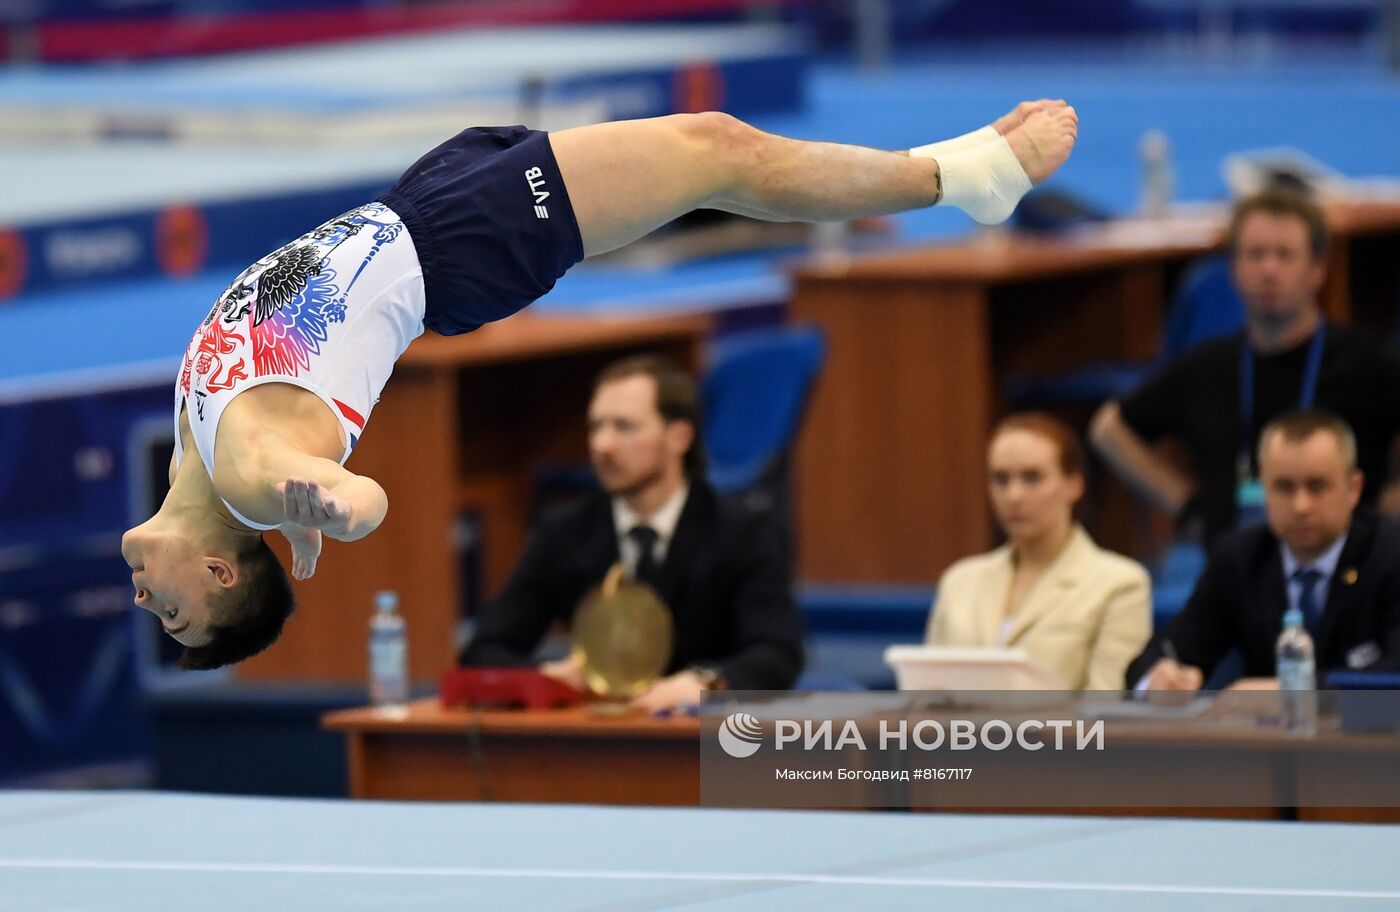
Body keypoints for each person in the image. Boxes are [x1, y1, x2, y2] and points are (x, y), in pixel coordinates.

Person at [120, 100, 1080, 670]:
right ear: (216, 572)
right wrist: (331, 505)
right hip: (460, 245)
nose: (143, 600)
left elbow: (268, 438)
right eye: (172, 610)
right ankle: (965, 179)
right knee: (713, 151)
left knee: (718, 161)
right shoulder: (253, 472)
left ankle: (960, 168)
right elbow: (357, 496)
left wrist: (291, 512)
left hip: (425, 197)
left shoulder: (207, 456)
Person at [458, 355, 803, 711]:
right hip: (594, 742)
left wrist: (705, 681)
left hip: (709, 740)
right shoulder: (564, 531)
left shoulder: (742, 531)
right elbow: (484, 651)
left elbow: (777, 653)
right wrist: (545, 678)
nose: (602, 445)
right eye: (596, 427)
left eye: (624, 427)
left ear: (679, 437)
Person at [1090, 187, 1400, 547]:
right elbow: (1108, 430)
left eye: (1285, 255)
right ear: (1234, 270)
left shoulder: (1370, 362)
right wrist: (1188, 507)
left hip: (1347, 565)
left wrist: (1385, 513)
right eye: (1255, 255)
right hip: (1235, 570)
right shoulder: (1206, 367)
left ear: (1317, 269)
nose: (1269, 270)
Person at [1128, 410, 1400, 692]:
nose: (1301, 506)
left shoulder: (1390, 553)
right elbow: (1169, 651)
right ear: (1263, 488)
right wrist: (1156, 680)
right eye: (1284, 487)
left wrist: (1295, 693)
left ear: (1354, 488)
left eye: (1317, 486)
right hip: (1270, 736)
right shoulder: (1240, 557)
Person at [926, 413, 1151, 690]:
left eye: (1032, 478)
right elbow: (925, 695)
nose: (1013, 496)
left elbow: (1105, 708)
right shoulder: (959, 581)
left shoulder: (1119, 584)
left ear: (1073, 485)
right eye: (1001, 479)